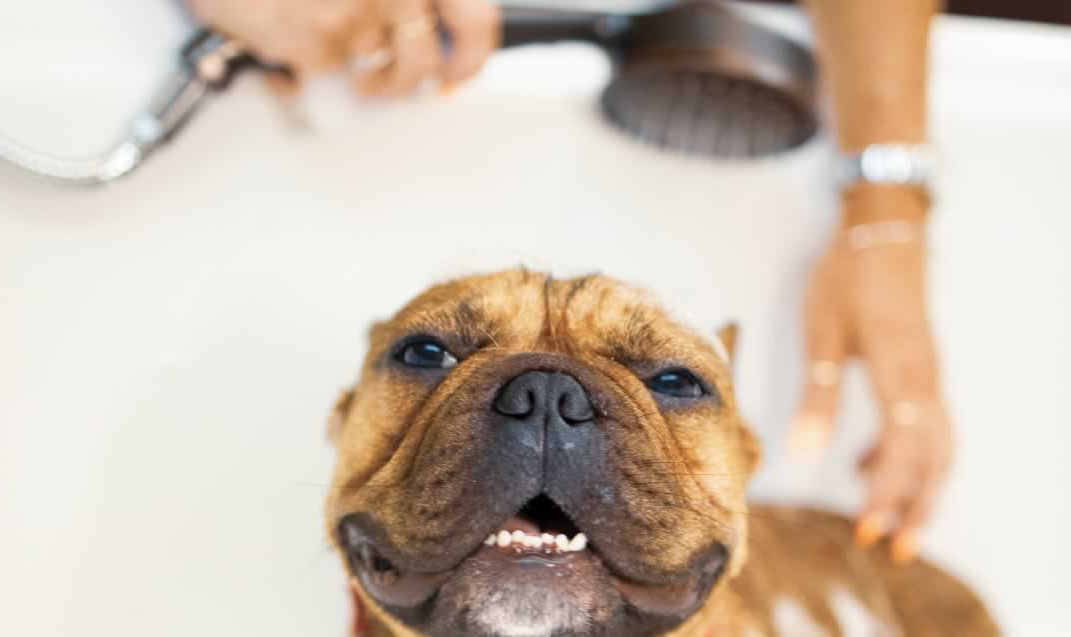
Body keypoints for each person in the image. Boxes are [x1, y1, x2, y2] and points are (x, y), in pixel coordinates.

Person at [188, 0, 954, 564]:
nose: (541, 412)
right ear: (340, 412)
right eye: (426, 356)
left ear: (749, 456)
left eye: (673, 382)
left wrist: (884, 209)